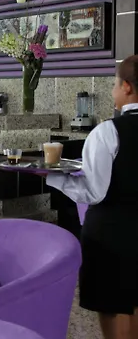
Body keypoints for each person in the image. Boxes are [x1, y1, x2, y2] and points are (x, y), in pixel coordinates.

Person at [46, 55, 138, 339]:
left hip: (112, 237)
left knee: (112, 306)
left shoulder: (107, 132)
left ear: (126, 87)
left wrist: (53, 176)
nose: (113, 90)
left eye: (114, 84)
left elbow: (94, 192)